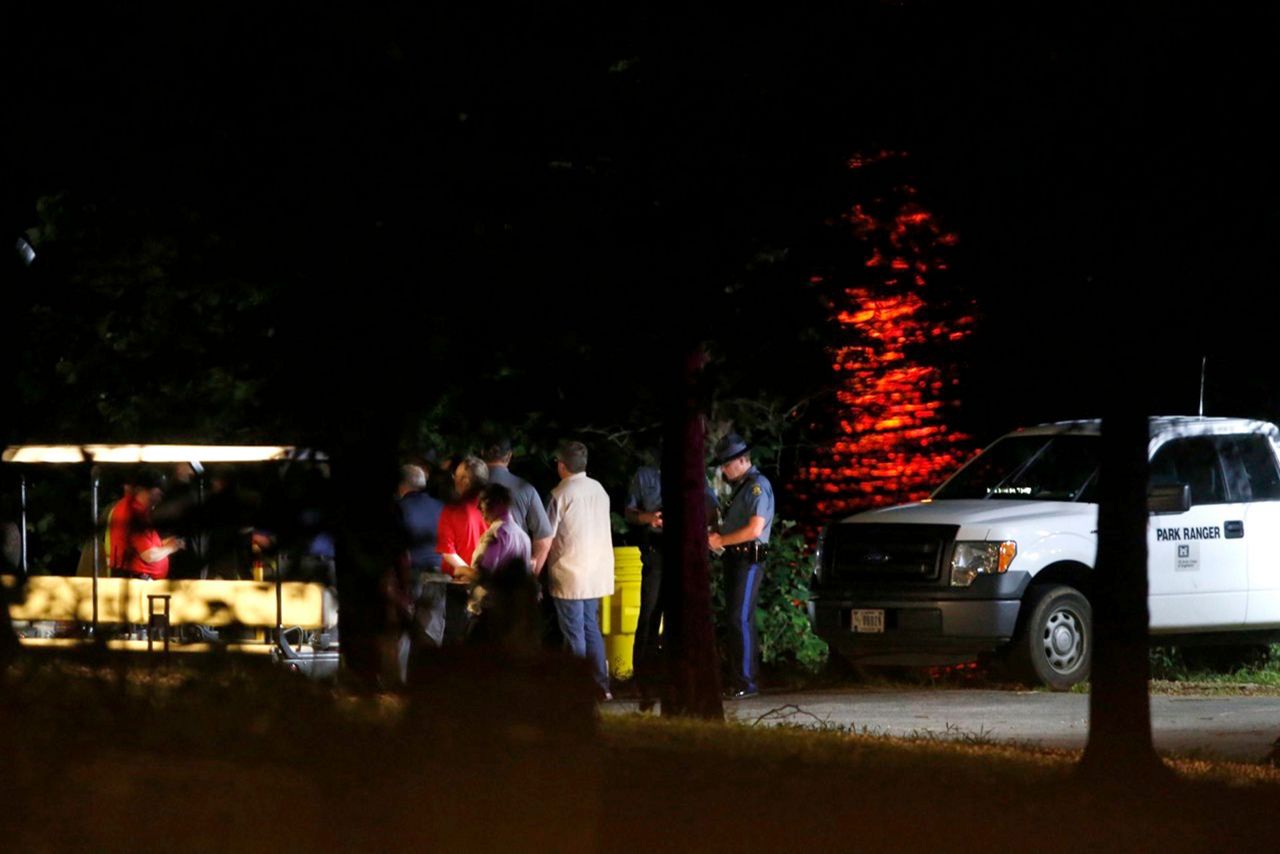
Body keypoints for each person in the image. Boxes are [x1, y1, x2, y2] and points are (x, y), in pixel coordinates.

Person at [544, 440, 615, 700]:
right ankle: (601, 686)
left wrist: (535, 565)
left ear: (562, 466)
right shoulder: (599, 490)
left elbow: (546, 535)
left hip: (570, 572)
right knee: (591, 628)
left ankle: (579, 687)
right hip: (595, 572)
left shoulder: (559, 494)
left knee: (574, 634)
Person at [707, 433, 774, 700]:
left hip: (748, 560)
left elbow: (755, 528)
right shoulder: (741, 486)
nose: (724, 469)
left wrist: (721, 540)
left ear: (742, 460)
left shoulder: (757, 486)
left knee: (739, 618)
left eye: (727, 464)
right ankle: (741, 678)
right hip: (735, 559)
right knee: (738, 618)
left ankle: (746, 681)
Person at [455, 483, 537, 647]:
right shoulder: (523, 536)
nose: (479, 508)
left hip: (488, 611)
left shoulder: (496, 534)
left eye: (483, 502)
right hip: (513, 611)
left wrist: (461, 570)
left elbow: (484, 574)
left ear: (498, 503)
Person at [397, 463, 446, 673]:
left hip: (411, 575)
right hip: (438, 575)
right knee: (432, 631)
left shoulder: (399, 509)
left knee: (403, 633)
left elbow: (399, 549)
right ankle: (432, 679)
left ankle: (399, 679)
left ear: (401, 485)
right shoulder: (441, 507)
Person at [481, 438, 554, 574]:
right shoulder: (526, 489)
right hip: (514, 573)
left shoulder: (469, 487)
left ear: (482, 453)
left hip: (475, 571)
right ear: (509, 456)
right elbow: (544, 540)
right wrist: (532, 572)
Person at [436, 455, 489, 642]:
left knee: (457, 638)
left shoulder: (452, 510)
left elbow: (448, 552)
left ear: (465, 482)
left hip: (460, 586)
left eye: (456, 477)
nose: (454, 481)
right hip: (490, 585)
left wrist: (470, 573)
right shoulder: (495, 508)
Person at [108, 468, 185, 581]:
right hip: (135, 580)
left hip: (137, 579)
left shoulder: (137, 510)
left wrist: (164, 543)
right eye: (157, 494)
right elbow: (149, 555)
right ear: (141, 490)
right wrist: (171, 547)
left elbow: (142, 545)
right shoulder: (133, 512)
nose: (159, 499)